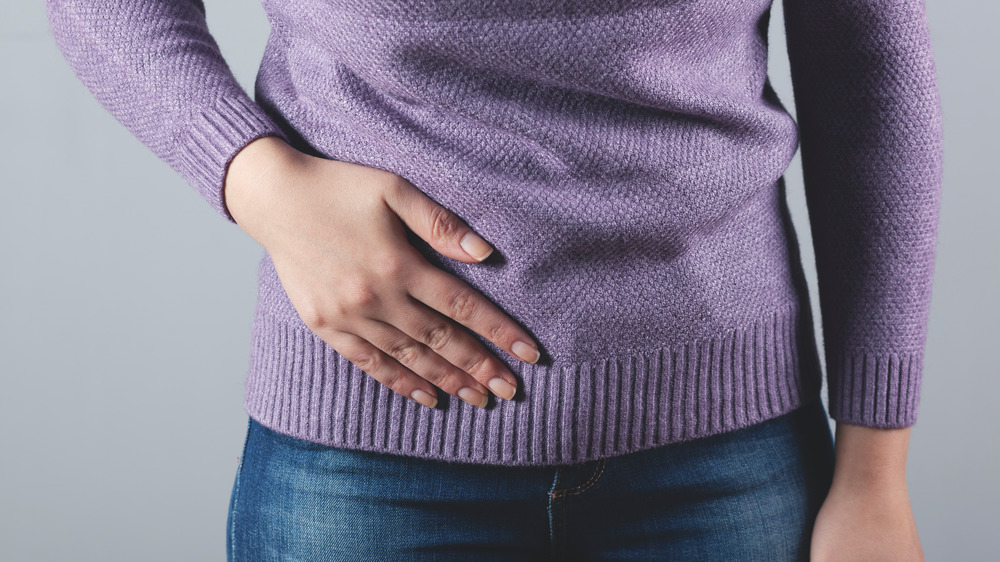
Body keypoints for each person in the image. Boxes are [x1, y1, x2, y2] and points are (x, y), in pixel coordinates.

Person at [45, 0, 942, 560]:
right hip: (361, 463)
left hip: (727, 466)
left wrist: (875, 478)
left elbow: (871, 83)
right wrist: (255, 179)